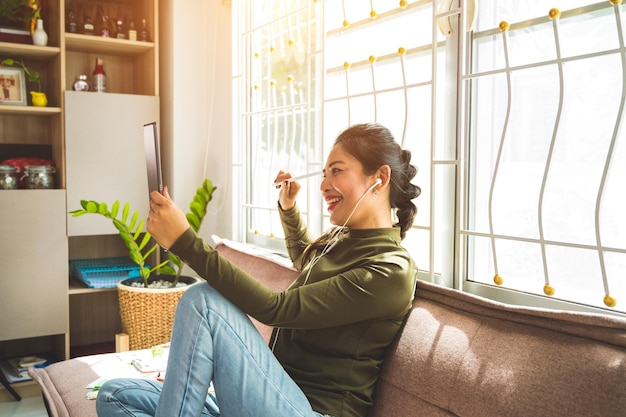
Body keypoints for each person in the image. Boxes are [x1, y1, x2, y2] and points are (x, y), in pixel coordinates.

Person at [95, 123, 421, 417]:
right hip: (272, 397)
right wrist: (288, 208)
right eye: (324, 173)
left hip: (313, 411)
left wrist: (184, 241)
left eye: (336, 171)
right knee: (116, 395)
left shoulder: (390, 270)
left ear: (379, 178)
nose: (324, 184)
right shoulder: (344, 240)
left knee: (203, 301)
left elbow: (276, 309)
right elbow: (309, 261)